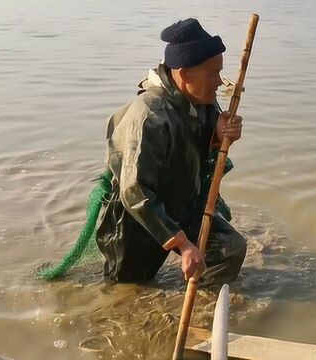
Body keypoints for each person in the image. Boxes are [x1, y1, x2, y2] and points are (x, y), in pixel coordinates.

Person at [95, 18, 247, 287]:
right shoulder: (149, 116)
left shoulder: (202, 101)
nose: (219, 82)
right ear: (185, 74)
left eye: (219, 72)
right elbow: (135, 191)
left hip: (184, 204)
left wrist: (219, 137)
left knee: (230, 250)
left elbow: (198, 148)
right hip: (139, 219)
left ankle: (202, 305)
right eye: (213, 73)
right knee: (128, 289)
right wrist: (182, 244)